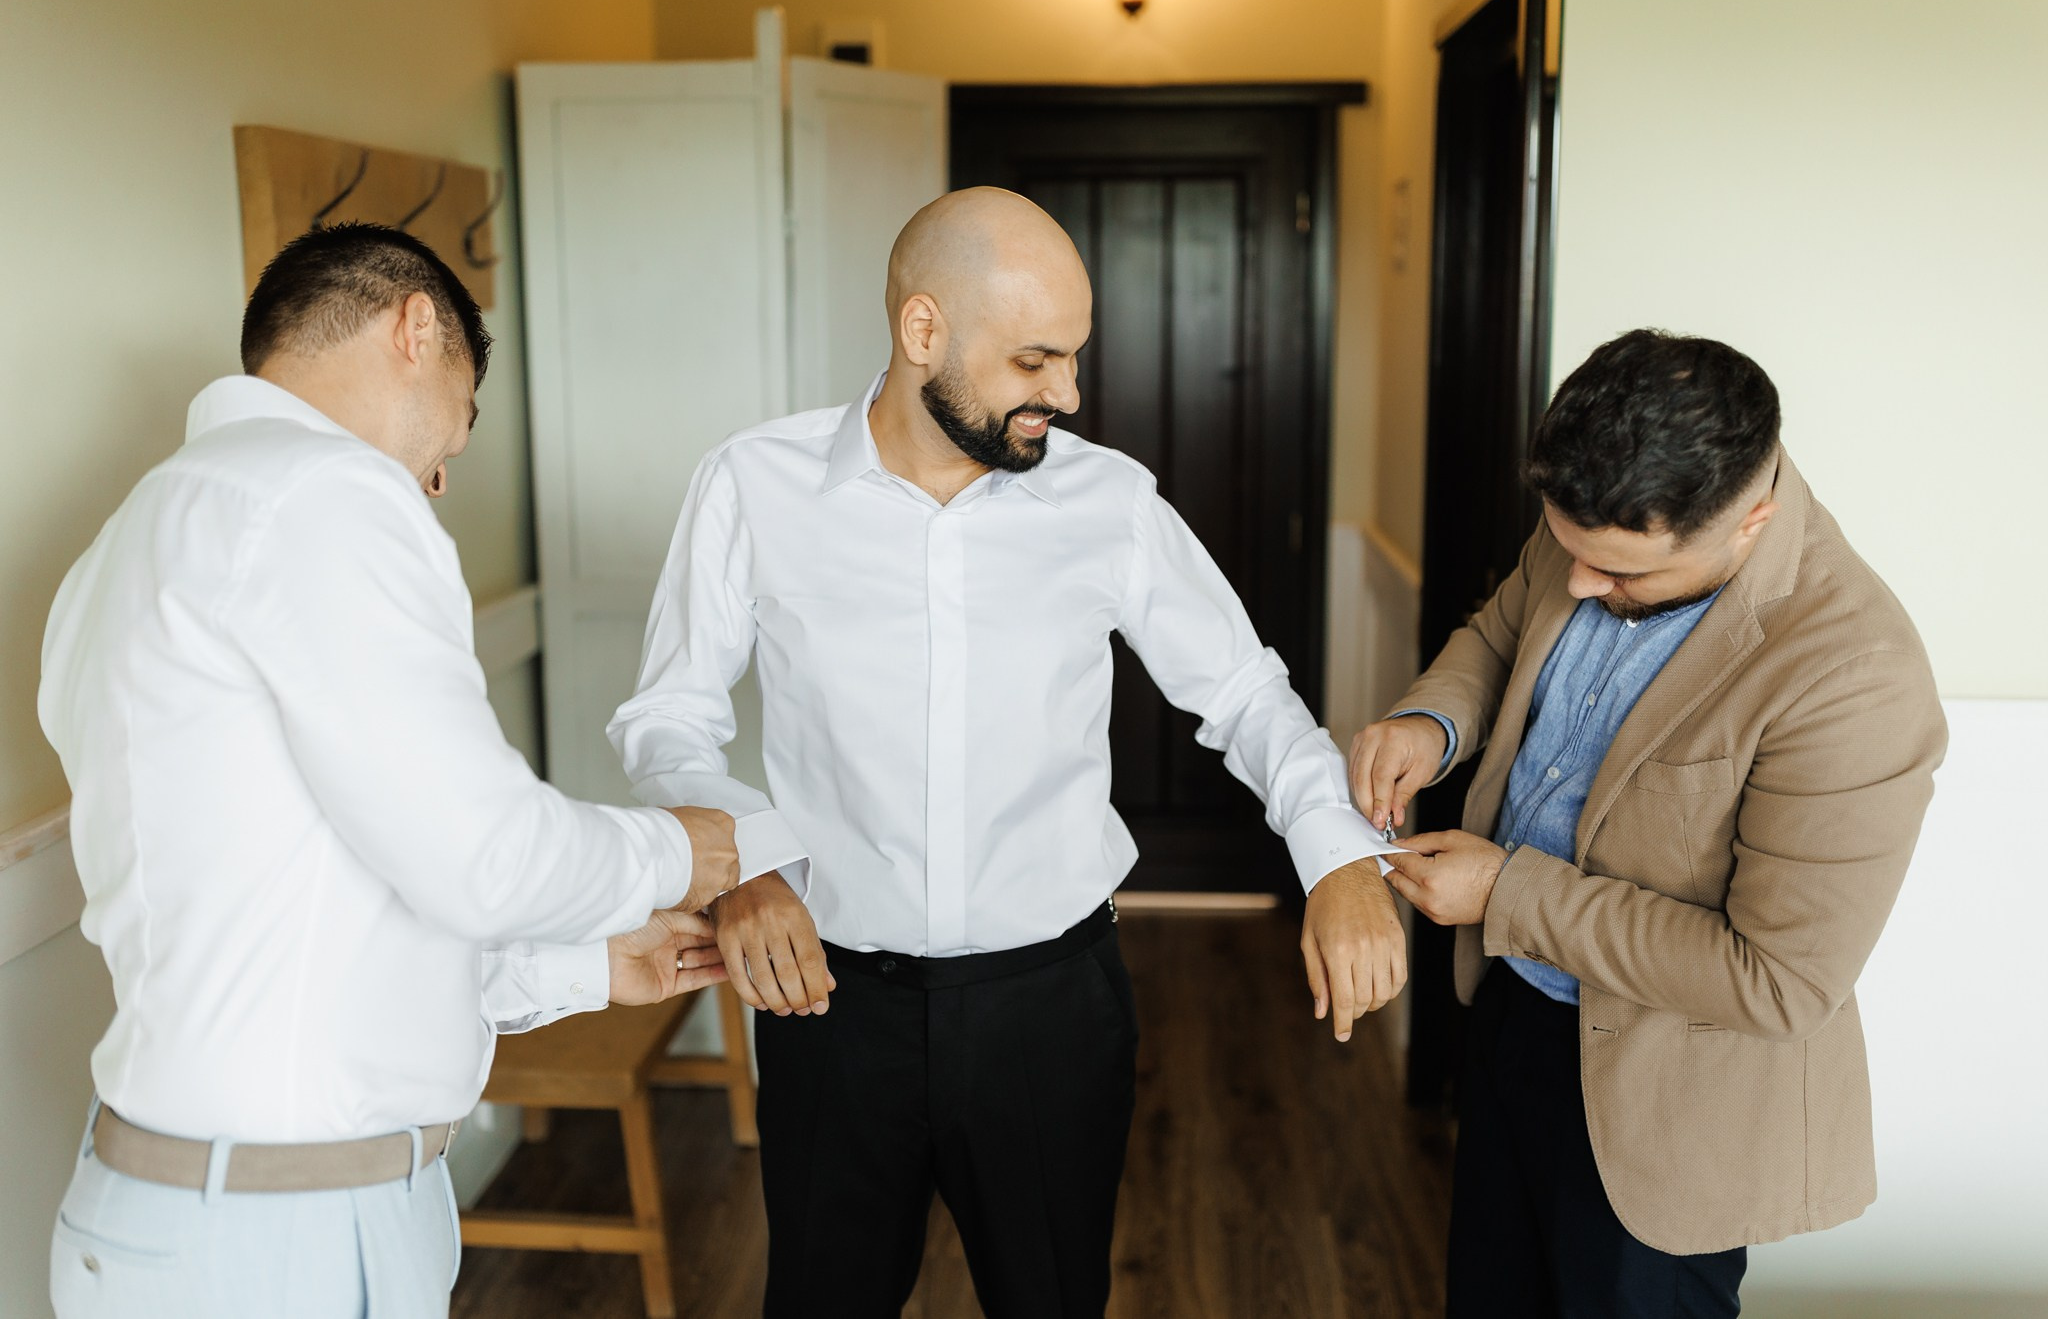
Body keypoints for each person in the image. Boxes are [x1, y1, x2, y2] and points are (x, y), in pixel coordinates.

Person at [608, 186, 1407, 1317]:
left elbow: (1241, 692)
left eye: (1074, 360)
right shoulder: (751, 486)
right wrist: (741, 867)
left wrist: (1337, 862)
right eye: (1036, 360)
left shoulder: (1109, 502)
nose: (1067, 395)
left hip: (1052, 1012)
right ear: (920, 330)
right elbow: (666, 719)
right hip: (827, 1011)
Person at [37, 223, 767, 1318]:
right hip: (280, 1243)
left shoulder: (118, 549)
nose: (434, 481)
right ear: (415, 327)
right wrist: (691, 846)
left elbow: (319, 911)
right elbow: (483, 856)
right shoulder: (325, 493)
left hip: (167, 1216)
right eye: (456, 438)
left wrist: (585, 966)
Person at [1352, 329, 1946, 1317]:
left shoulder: (1855, 676)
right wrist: (1432, 718)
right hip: (1512, 1021)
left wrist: (1506, 890)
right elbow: (1502, 629)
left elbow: (1776, 980)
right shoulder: (1596, 516)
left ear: (1747, 524)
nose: (1578, 585)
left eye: (1618, 576)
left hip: (1669, 1108)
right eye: (1566, 551)